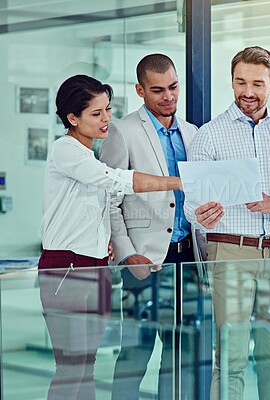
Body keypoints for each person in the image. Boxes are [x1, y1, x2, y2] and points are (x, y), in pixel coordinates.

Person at [38, 74, 183, 400]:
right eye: (96, 113)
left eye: (108, 110)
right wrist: (175, 182)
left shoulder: (88, 155)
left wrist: (103, 238)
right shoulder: (65, 149)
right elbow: (115, 180)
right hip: (67, 269)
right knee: (71, 366)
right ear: (72, 118)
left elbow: (92, 208)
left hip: (97, 266)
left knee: (86, 364)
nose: (107, 119)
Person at [184, 46, 270, 400]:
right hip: (230, 252)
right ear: (231, 81)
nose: (248, 91)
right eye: (240, 82)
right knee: (230, 359)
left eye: (257, 83)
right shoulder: (209, 135)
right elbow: (190, 203)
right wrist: (198, 213)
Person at [100, 54, 203, 400]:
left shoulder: (193, 134)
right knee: (136, 352)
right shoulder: (123, 131)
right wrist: (128, 255)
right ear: (140, 91)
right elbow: (109, 200)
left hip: (187, 259)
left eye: (173, 87)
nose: (168, 97)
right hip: (143, 263)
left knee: (182, 354)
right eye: (157, 90)